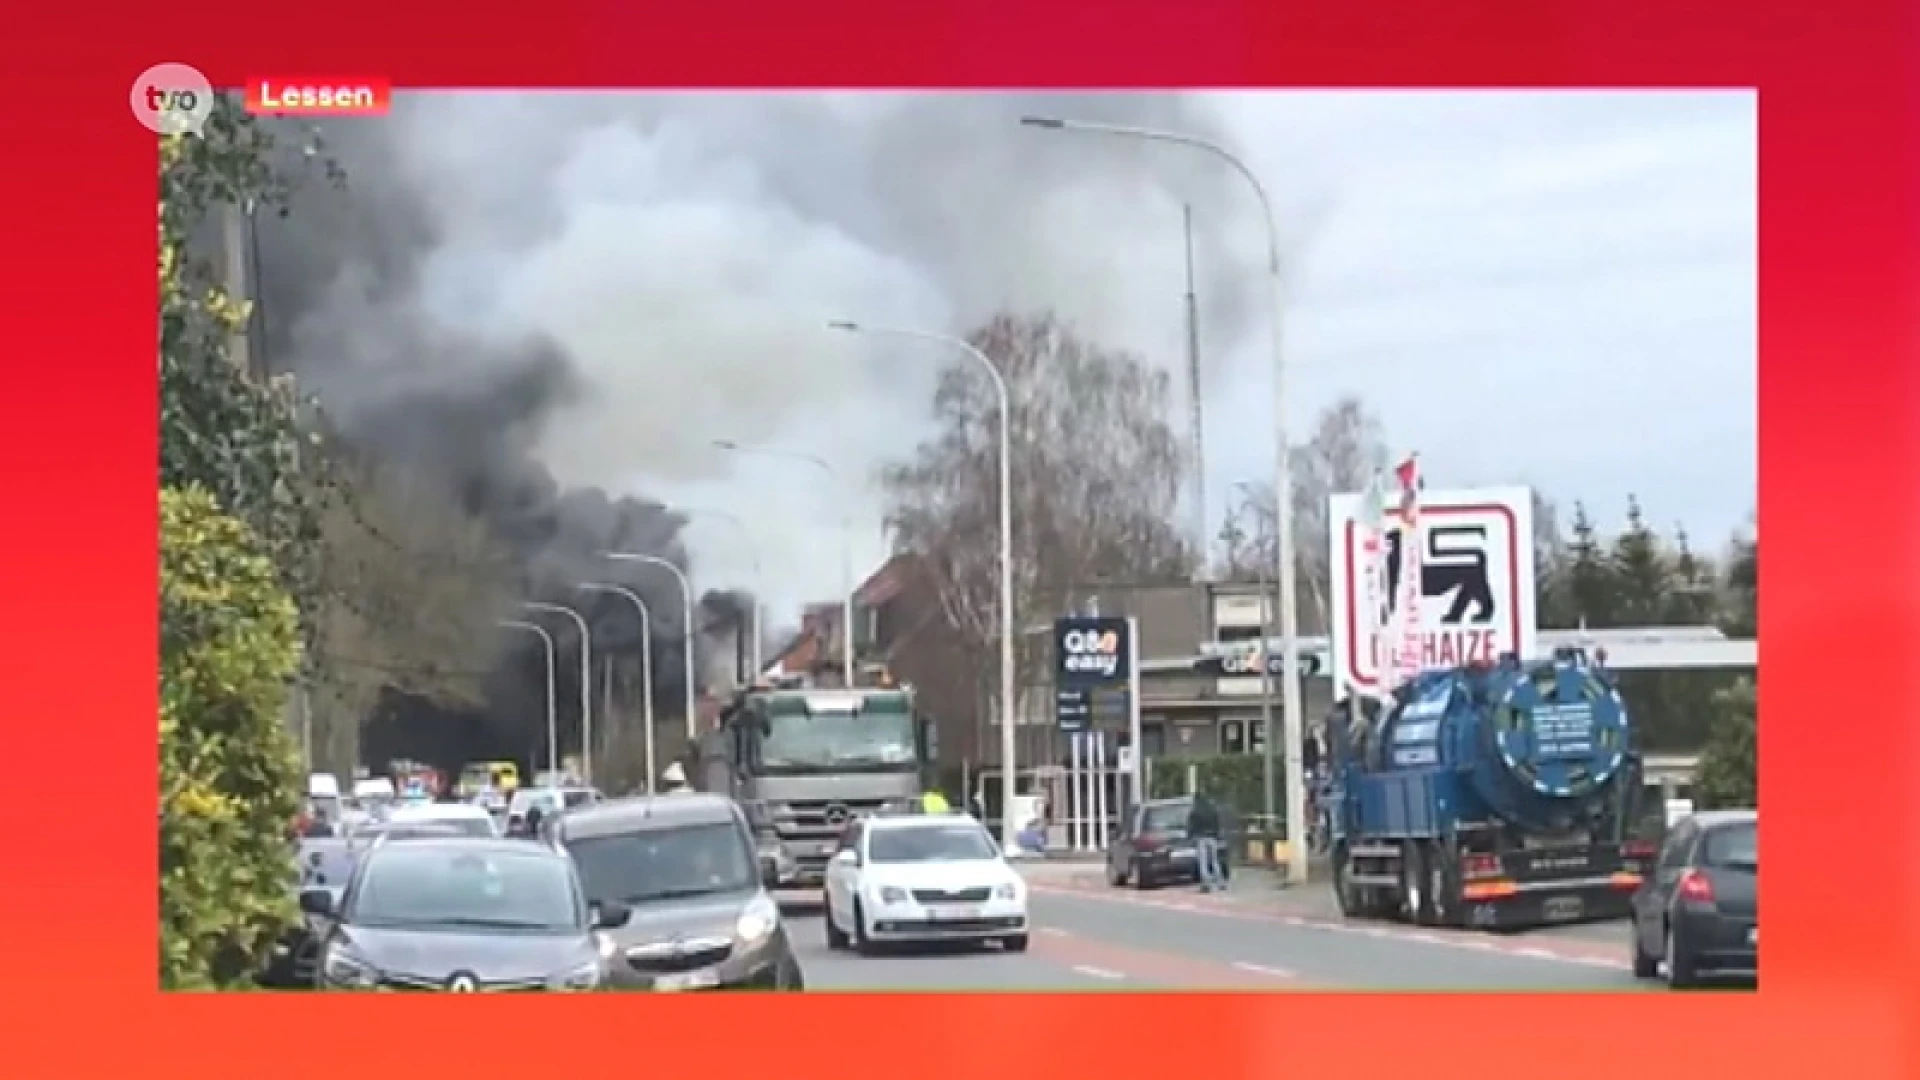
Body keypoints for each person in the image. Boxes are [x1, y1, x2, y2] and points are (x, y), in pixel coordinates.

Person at [1187, 792, 1225, 893]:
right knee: (1214, 860)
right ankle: (1220, 882)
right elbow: (1217, 823)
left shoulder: (1195, 811)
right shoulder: (1212, 809)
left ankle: (1206, 884)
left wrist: (1190, 836)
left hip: (1201, 838)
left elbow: (1192, 825)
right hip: (1212, 837)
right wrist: (1218, 836)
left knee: (1203, 862)